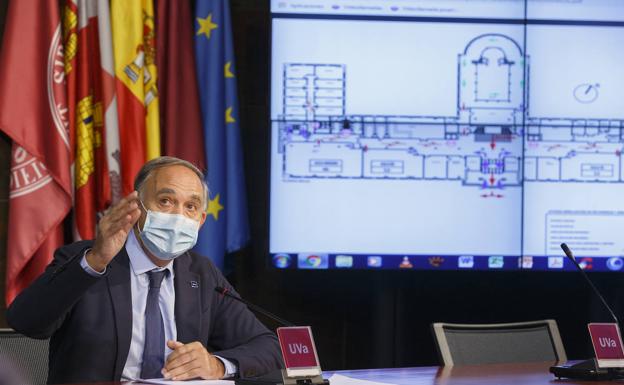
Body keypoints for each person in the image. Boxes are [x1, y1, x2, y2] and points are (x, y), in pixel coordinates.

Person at [7, 156, 282, 384]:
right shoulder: (86, 260)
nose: (177, 216)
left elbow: (268, 346)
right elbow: (26, 322)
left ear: (200, 221)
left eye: (191, 207)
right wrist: (94, 262)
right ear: (137, 207)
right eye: (165, 201)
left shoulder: (201, 273)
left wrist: (216, 365)